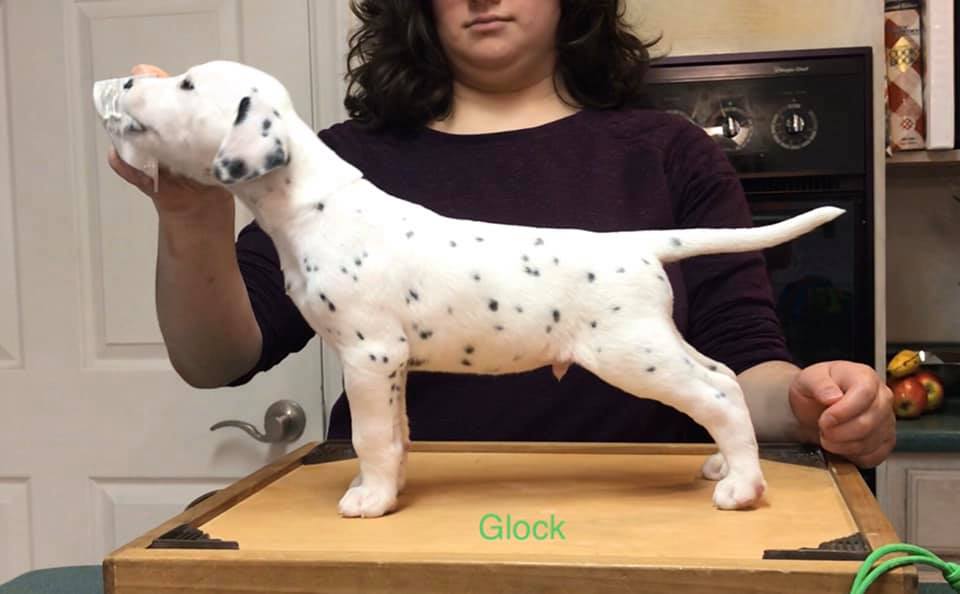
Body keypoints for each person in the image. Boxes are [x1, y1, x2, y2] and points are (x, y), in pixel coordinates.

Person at [108, 0, 894, 469]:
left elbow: (745, 359)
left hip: (625, 533)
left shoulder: (669, 152)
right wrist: (190, 216)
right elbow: (219, 360)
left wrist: (810, 404)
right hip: (404, 546)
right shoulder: (337, 163)